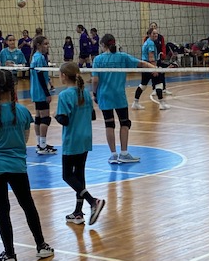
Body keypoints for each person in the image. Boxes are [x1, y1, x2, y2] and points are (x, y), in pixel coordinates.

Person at [0, 69, 54, 261]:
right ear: (13, 87)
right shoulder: (23, 112)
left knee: (2, 210)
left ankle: (9, 254)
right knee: (28, 205)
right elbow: (25, 139)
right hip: (17, 165)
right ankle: (42, 246)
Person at [55, 62, 105, 226]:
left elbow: (64, 120)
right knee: (79, 175)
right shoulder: (85, 92)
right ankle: (78, 213)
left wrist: (55, 115)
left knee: (67, 176)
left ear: (63, 76)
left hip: (73, 140)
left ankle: (93, 201)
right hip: (85, 138)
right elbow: (92, 116)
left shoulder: (64, 95)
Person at [92, 33, 155, 164]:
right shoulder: (122, 56)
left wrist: (94, 93)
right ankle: (124, 153)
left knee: (109, 124)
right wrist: (155, 68)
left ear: (103, 45)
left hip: (104, 96)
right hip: (119, 96)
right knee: (124, 123)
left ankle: (113, 155)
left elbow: (95, 80)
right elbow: (141, 63)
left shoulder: (98, 59)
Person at [30, 35, 56, 154]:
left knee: (39, 117)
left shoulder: (35, 57)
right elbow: (40, 76)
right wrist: (47, 93)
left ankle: (40, 144)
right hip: (40, 92)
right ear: (38, 45)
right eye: (45, 44)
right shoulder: (39, 57)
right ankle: (43, 146)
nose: (47, 46)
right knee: (45, 118)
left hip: (35, 91)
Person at [133, 28, 170, 110]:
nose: (156, 35)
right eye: (154, 33)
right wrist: (154, 69)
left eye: (156, 33)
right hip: (149, 65)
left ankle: (135, 102)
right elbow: (151, 57)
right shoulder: (150, 43)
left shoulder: (148, 42)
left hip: (145, 66)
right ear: (149, 35)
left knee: (143, 85)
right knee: (159, 83)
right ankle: (162, 104)